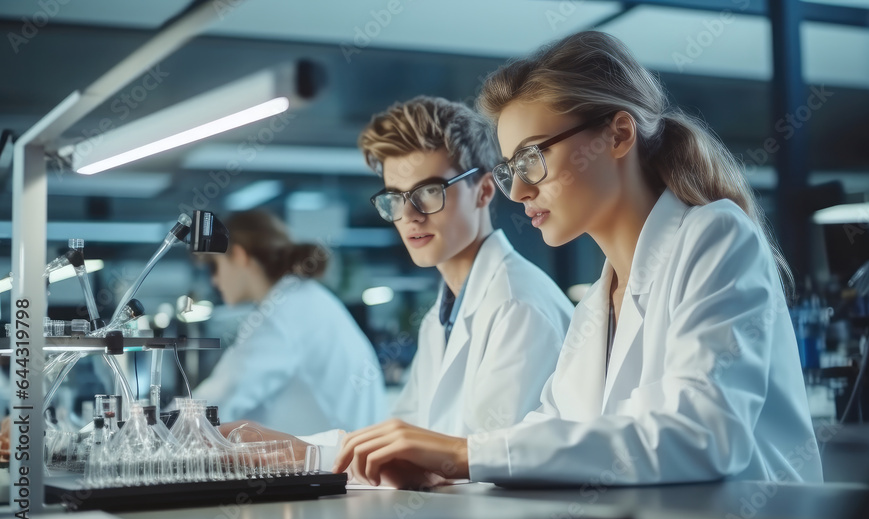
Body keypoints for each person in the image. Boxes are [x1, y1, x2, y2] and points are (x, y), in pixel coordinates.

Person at [333, 31, 823, 488]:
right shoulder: (597, 303)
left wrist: (464, 455)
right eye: (510, 169)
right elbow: (552, 429)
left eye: (532, 158)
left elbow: (705, 434)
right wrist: (446, 464)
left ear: (618, 134)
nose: (520, 189)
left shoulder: (714, 236)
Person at [280, 97, 573, 466]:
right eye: (395, 198)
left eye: (430, 192)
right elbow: (400, 437)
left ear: (483, 190)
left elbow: (496, 461)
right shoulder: (444, 312)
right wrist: (288, 449)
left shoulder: (518, 307)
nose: (410, 216)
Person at [192, 210, 387, 436]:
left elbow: (220, 397)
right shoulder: (303, 298)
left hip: (335, 464)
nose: (215, 280)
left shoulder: (283, 315)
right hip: (345, 457)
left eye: (215, 266)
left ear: (239, 255)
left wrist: (157, 428)